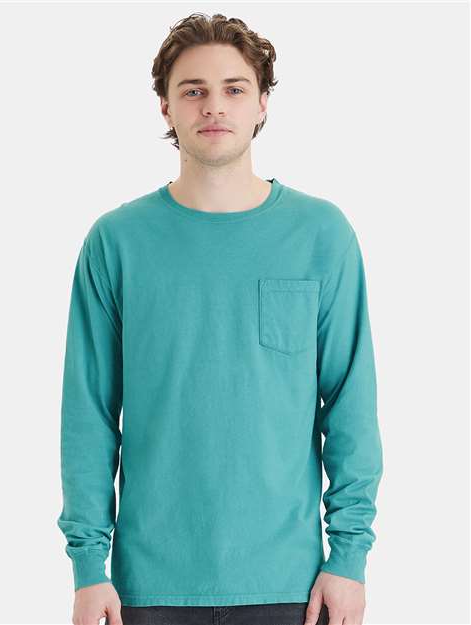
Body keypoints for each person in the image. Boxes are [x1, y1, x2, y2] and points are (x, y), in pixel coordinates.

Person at [56, 12, 383, 625]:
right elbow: (89, 415)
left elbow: (350, 406)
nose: (214, 106)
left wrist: (350, 557)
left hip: (291, 582)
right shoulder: (116, 242)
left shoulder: (320, 234)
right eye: (193, 90)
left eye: (234, 88)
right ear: (165, 106)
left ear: (262, 104)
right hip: (146, 588)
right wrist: (88, 566)